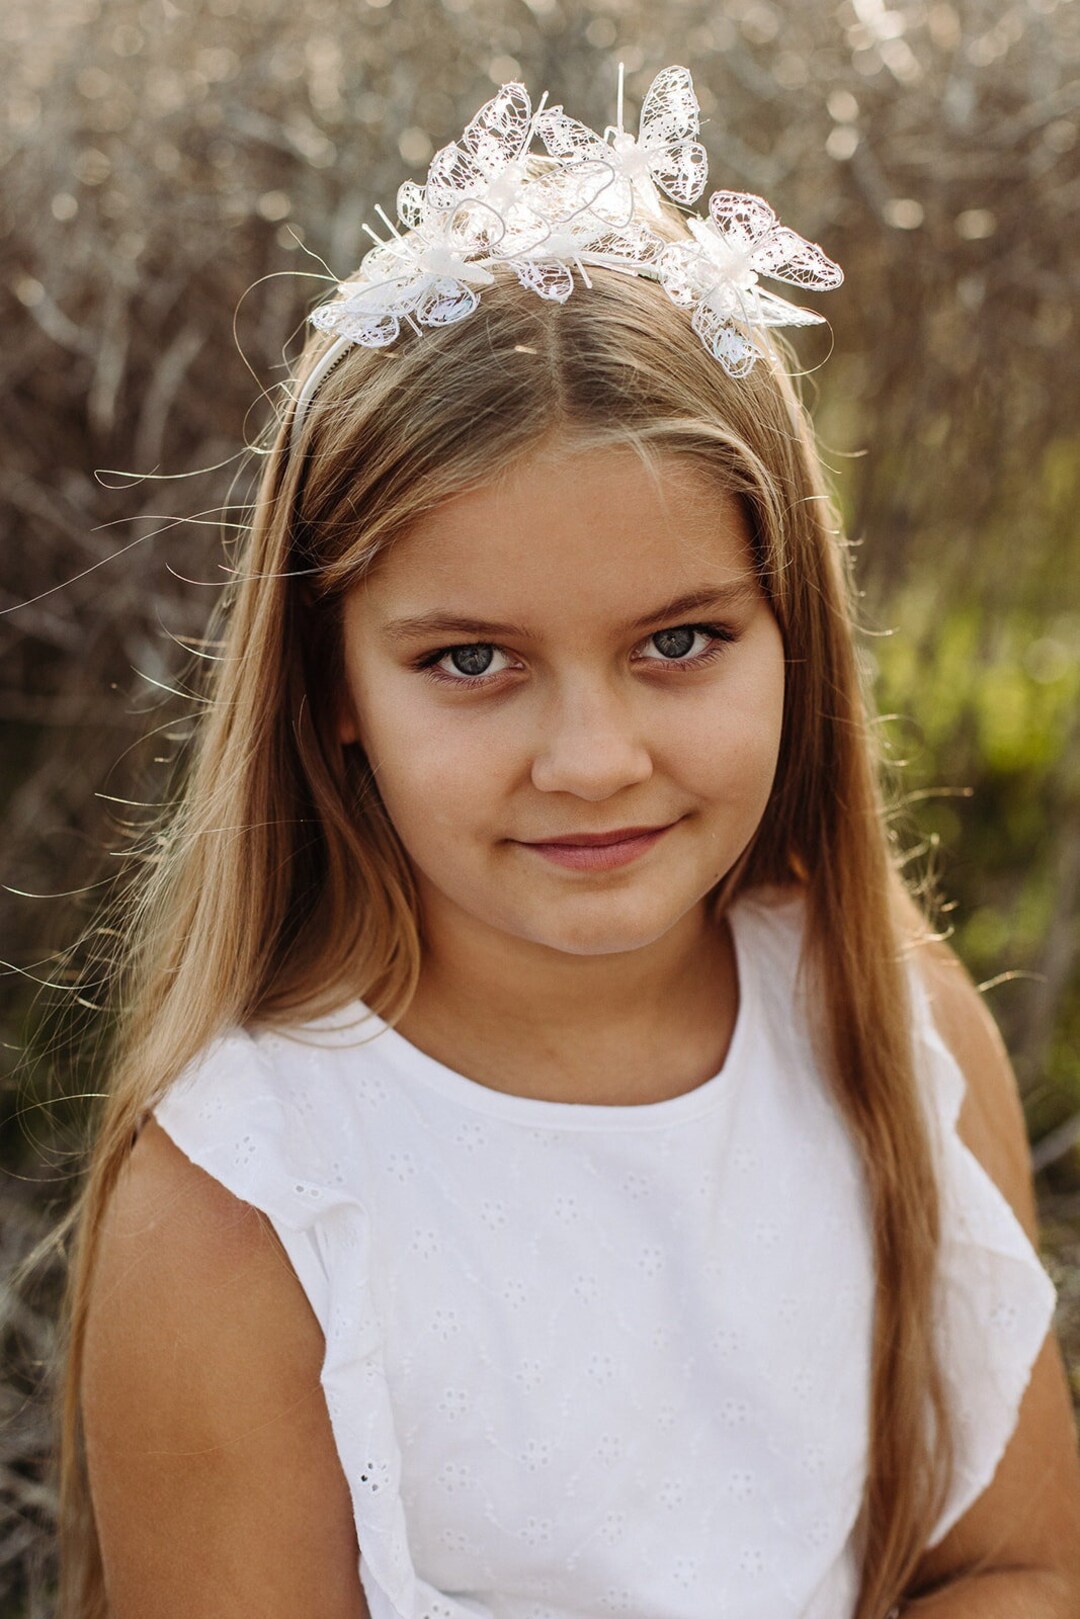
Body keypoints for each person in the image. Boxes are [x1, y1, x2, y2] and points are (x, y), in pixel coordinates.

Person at [61, 66, 1080, 1619]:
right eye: (471, 661)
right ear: (333, 687)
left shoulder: (894, 1025)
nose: (596, 763)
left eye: (679, 640)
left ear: (791, 626)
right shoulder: (241, 1211)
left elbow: (1011, 1565)